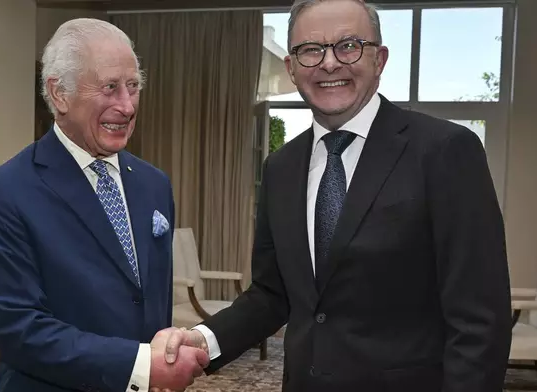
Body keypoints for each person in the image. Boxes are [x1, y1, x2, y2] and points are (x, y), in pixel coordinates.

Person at [161, 0, 513, 391]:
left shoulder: (445, 151)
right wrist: (203, 340)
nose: (329, 63)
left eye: (348, 45)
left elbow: (480, 319)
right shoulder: (280, 168)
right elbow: (271, 294)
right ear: (292, 67)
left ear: (379, 59)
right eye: (311, 50)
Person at [0, 18, 208, 392]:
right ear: (59, 94)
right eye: (110, 88)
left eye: (133, 87)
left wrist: (168, 353)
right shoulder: (4, 192)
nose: (127, 106)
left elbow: (150, 301)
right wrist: (141, 365)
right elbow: (20, 330)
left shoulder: (154, 184)